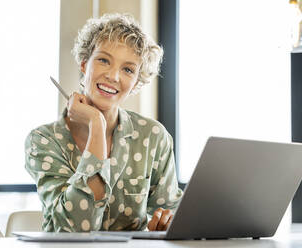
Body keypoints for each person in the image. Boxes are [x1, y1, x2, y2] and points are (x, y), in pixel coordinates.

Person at [24, 13, 183, 232]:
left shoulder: (153, 136)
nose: (113, 76)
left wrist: (167, 223)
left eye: (128, 69)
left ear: (137, 81)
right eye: (103, 60)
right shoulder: (42, 140)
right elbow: (78, 228)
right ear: (84, 64)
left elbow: (171, 213)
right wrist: (96, 125)